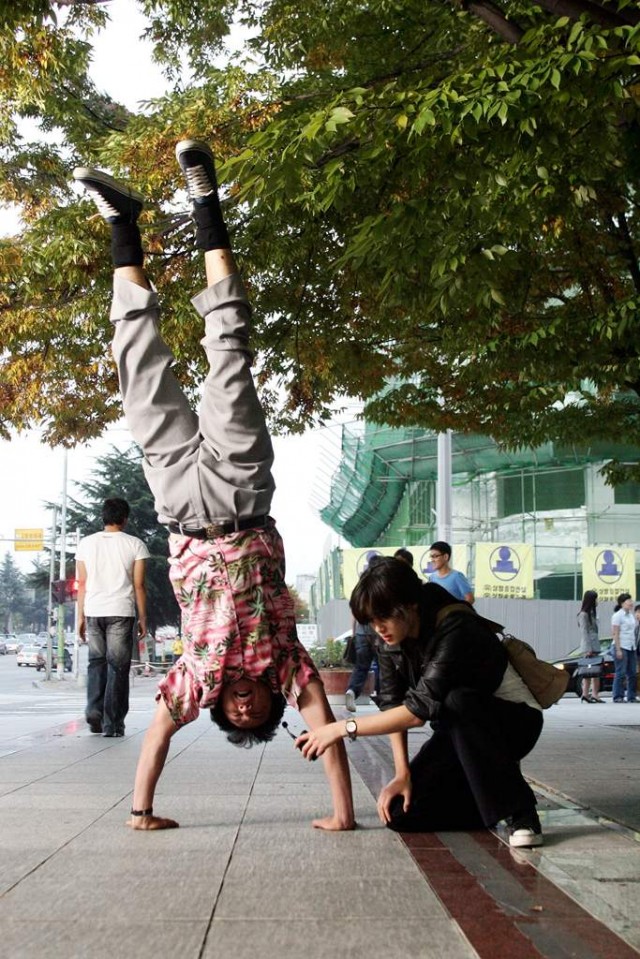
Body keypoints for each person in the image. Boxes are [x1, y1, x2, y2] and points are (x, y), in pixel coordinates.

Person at [72, 139, 354, 832]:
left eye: (237, 716)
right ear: (275, 704)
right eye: (256, 713)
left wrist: (141, 811)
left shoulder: (191, 681)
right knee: (229, 351)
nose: (245, 707)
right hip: (242, 493)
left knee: (136, 369)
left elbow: (156, 737)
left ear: (220, 711)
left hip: (178, 506)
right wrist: (342, 812)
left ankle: (122, 223)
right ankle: (206, 199)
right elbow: (325, 728)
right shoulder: (288, 667)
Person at [296, 557, 544, 848]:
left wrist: (341, 728)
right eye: (372, 621)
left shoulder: (455, 627)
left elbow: (416, 713)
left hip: (514, 723)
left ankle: (520, 812)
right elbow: (393, 704)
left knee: (458, 700)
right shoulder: (388, 639)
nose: (378, 628)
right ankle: (486, 807)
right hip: (457, 733)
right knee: (400, 813)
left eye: (384, 617)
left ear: (411, 604)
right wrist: (402, 773)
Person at [76, 497, 149, 736]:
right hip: (121, 611)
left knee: (96, 663)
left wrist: (80, 616)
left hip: (94, 610)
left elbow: (82, 583)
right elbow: (139, 585)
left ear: (103, 517)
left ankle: (94, 711)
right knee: (117, 667)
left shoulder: (86, 544)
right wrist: (143, 617)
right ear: (125, 519)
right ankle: (113, 724)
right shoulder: (135, 544)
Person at [577, 589, 603, 703]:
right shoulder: (583, 614)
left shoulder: (592, 613)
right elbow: (584, 632)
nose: (597, 601)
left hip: (594, 645)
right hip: (589, 647)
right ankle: (588, 694)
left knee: (594, 671)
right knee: (588, 671)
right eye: (596, 599)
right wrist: (588, 649)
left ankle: (590, 694)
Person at [611, 592, 638, 703]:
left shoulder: (631, 615)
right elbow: (615, 633)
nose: (631, 603)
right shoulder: (617, 616)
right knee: (620, 672)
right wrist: (618, 649)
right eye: (629, 601)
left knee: (632, 673)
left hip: (631, 646)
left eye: (631, 601)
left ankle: (631, 696)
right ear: (622, 603)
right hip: (621, 646)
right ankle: (618, 696)